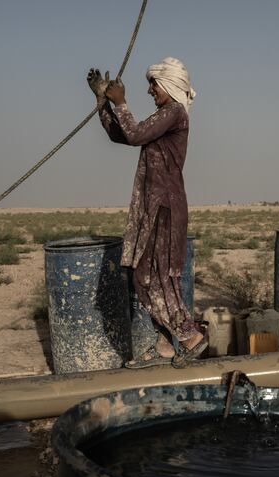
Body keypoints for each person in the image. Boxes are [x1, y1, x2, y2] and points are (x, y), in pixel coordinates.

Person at [86, 58, 206, 368]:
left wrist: (121, 102)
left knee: (160, 278)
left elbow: (136, 133)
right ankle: (165, 344)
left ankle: (191, 337)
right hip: (152, 206)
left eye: (154, 83)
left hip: (164, 206)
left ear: (169, 85)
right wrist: (104, 106)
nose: (150, 89)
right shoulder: (163, 115)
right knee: (144, 276)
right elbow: (125, 135)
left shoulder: (174, 113)